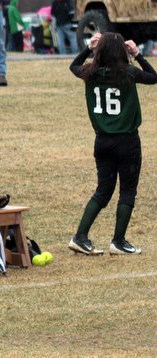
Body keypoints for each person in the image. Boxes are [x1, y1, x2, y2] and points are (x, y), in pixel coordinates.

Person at [68, 32, 157, 256]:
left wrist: (88, 48)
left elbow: (73, 66)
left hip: (102, 142)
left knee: (103, 191)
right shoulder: (129, 72)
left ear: (100, 52)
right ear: (122, 53)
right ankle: (118, 241)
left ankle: (80, 237)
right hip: (127, 142)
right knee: (127, 191)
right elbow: (153, 77)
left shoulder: (90, 72)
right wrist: (138, 54)